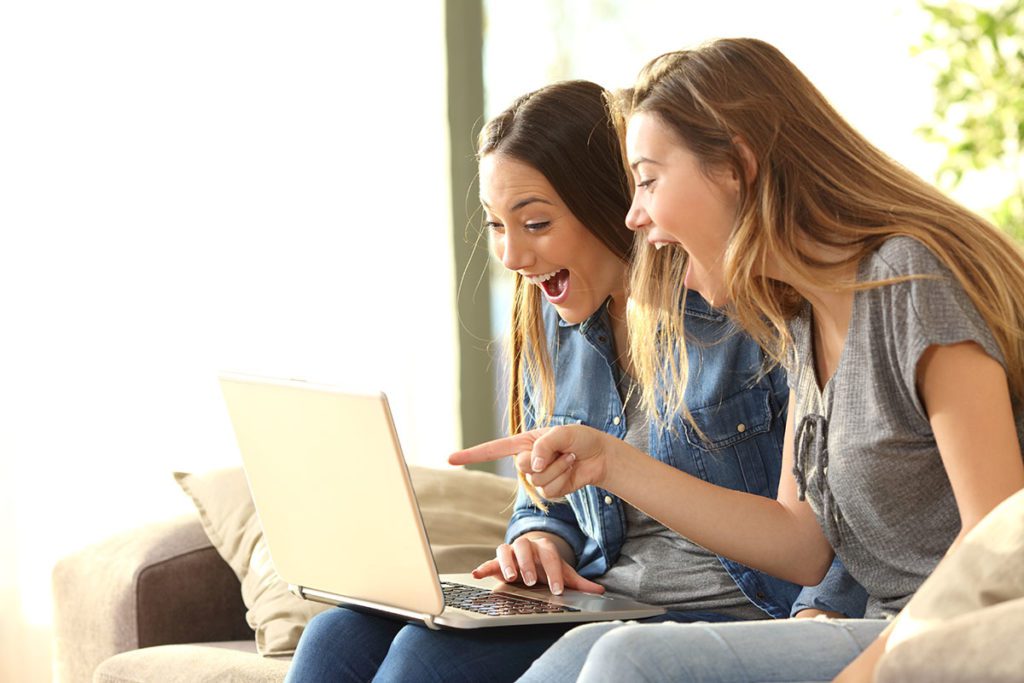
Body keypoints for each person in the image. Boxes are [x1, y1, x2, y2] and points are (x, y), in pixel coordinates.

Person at [451, 38, 1024, 682]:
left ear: (734, 168)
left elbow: (999, 551)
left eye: (646, 181)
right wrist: (608, 461)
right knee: (576, 658)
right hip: (885, 630)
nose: (634, 216)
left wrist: (857, 672)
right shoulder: (803, 319)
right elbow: (801, 546)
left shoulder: (908, 281)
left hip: (960, 639)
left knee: (627, 659)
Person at [285, 79, 863, 683]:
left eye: (534, 223)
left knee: (426, 662)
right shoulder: (554, 318)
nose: (510, 256)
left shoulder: (743, 307)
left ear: (613, 201)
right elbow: (549, 499)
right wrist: (542, 540)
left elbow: (844, 504)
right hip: (602, 602)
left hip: (726, 614)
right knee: (338, 634)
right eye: (496, 225)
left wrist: (820, 617)